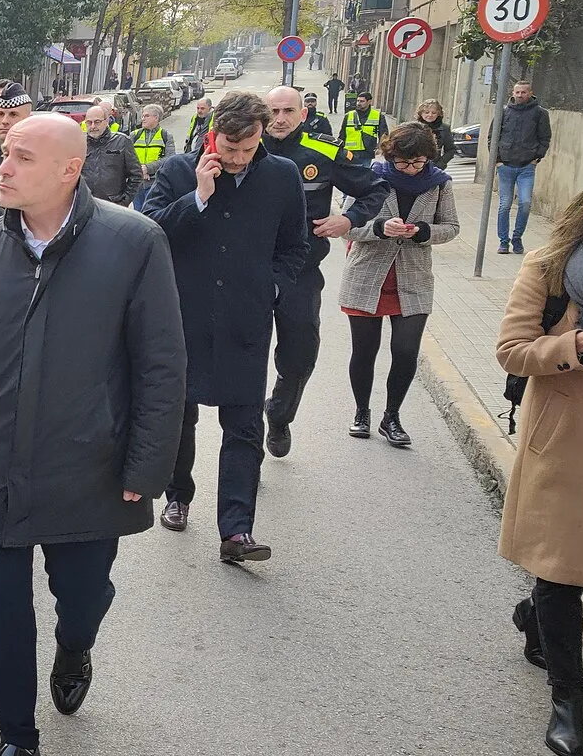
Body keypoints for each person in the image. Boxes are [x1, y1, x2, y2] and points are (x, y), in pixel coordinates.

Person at [0, 112, 186, 756]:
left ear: (71, 170)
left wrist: (147, 466)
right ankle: (17, 740)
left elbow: (160, 366)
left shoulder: (134, 242)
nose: (1, 169)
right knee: (0, 609)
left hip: (89, 462)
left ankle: (77, 643)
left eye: (22, 157)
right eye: (4, 154)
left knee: (81, 593)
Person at [142, 91, 308, 564]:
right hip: (184, 315)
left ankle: (236, 529)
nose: (236, 159)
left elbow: (294, 245)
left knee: (244, 424)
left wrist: (273, 287)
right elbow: (151, 232)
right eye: (228, 148)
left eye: (247, 149)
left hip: (245, 318)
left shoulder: (281, 175)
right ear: (212, 135)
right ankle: (178, 494)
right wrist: (198, 197)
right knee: (181, 414)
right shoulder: (178, 171)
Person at [498, 164, 583, 756]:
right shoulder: (550, 268)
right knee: (562, 572)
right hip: (568, 441)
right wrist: (578, 345)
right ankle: (568, 700)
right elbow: (512, 351)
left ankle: (534, 616)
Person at [259, 86, 387, 457]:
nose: (279, 119)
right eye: (273, 111)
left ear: (303, 114)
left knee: (301, 352)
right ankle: (247, 437)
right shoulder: (245, 148)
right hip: (250, 269)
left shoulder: (325, 151)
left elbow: (374, 190)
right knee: (243, 355)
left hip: (300, 269)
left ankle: (280, 414)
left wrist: (347, 220)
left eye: (288, 111)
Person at [340, 124, 458, 448]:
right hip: (367, 276)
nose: (411, 168)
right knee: (365, 351)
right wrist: (379, 227)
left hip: (414, 279)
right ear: (391, 156)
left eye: (418, 163)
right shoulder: (370, 176)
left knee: (406, 353)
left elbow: (451, 227)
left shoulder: (440, 184)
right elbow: (346, 225)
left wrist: (422, 231)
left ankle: (391, 417)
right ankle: (361, 412)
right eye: (404, 163)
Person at [494, 79, 554, 255]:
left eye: (523, 92)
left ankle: (517, 238)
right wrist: (498, 159)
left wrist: (536, 157)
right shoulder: (503, 112)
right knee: (504, 205)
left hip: (527, 167)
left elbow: (545, 138)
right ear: (512, 93)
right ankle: (503, 242)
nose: (520, 95)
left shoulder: (540, 113)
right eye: (517, 92)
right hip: (505, 166)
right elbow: (493, 136)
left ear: (530, 93)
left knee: (525, 203)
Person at [77, 100, 146, 206]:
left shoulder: (122, 141)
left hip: (113, 205)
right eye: (89, 122)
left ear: (107, 121)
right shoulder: (79, 143)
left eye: (97, 122)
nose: (92, 126)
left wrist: (125, 200)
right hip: (85, 204)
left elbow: (136, 175)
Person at [339, 91, 389, 168]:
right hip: (350, 152)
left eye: (362, 101)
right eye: (358, 101)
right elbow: (342, 135)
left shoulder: (378, 116)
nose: (359, 103)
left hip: (367, 152)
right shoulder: (349, 115)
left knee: (364, 175)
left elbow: (384, 134)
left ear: (369, 102)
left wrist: (380, 148)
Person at [130, 105, 173, 178]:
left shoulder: (166, 136)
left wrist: (148, 168)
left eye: (146, 116)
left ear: (156, 118)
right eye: (142, 116)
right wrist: (140, 171)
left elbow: (170, 158)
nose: (143, 119)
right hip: (136, 180)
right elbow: (127, 157)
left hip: (157, 180)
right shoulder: (134, 135)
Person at [414, 99, 456, 169]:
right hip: (414, 167)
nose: (430, 115)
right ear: (421, 113)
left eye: (434, 113)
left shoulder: (445, 128)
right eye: (427, 112)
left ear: (438, 114)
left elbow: (451, 150)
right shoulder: (413, 126)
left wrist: (440, 164)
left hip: (434, 168)